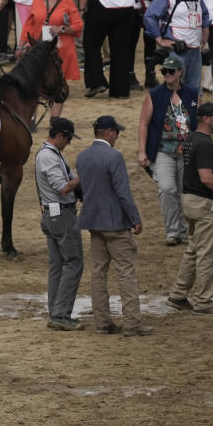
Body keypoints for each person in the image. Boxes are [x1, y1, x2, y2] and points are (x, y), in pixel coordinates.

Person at [75, 115, 153, 336]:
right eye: (116, 132)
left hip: (93, 222)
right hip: (115, 224)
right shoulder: (114, 156)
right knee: (126, 272)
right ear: (108, 132)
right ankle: (132, 323)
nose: (117, 136)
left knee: (98, 273)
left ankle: (102, 322)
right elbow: (123, 192)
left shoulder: (82, 157)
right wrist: (135, 218)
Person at [168, 102, 213, 314]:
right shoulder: (204, 143)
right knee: (207, 253)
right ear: (207, 118)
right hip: (203, 203)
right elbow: (206, 177)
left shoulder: (192, 139)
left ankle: (178, 294)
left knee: (192, 250)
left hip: (190, 200)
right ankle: (203, 301)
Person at [138, 54, 200, 245]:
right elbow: (143, 124)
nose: (167, 74)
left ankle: (183, 231)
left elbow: (199, 122)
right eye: (164, 71)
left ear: (180, 72)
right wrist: (142, 151)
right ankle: (172, 230)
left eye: (170, 71)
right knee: (167, 188)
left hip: (186, 152)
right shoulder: (155, 95)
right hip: (163, 150)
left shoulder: (192, 93)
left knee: (184, 192)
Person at [34, 117, 84, 331]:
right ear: (61, 136)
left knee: (57, 266)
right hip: (60, 216)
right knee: (73, 263)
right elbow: (63, 187)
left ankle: (56, 311)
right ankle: (60, 314)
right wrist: (85, 176)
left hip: (53, 215)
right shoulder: (49, 156)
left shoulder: (51, 154)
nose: (69, 143)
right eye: (69, 139)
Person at [20, 0, 83, 117]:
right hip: (38, 49)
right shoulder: (36, 1)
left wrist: (61, 28)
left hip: (60, 51)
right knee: (34, 83)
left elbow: (78, 26)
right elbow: (28, 25)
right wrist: (21, 45)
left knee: (58, 86)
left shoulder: (68, 3)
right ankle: (31, 117)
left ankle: (55, 120)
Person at [144, 0, 211, 91]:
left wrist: (205, 30)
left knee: (195, 90)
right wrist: (160, 40)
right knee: (173, 88)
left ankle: (192, 111)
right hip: (176, 50)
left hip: (195, 49)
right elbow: (149, 16)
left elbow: (204, 13)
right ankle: (171, 112)